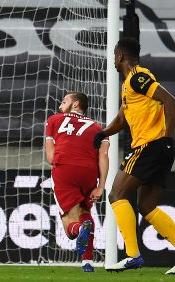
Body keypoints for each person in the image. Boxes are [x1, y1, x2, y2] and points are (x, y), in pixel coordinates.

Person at [94, 37, 175, 274]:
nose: (113, 61)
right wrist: (104, 133)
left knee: (117, 193)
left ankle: (132, 255)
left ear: (120, 56)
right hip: (159, 147)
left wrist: (169, 139)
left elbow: (170, 101)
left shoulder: (139, 78)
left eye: (114, 56)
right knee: (147, 205)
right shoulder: (130, 84)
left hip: (151, 146)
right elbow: (122, 118)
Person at [45, 92, 109, 272]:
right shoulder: (99, 128)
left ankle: (80, 229)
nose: (60, 106)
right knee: (85, 211)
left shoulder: (54, 120)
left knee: (69, 224)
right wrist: (101, 185)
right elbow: (103, 155)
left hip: (65, 168)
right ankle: (87, 261)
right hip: (90, 172)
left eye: (64, 101)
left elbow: (50, 158)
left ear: (75, 104)